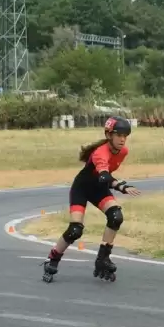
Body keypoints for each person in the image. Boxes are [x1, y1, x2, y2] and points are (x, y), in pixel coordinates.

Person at [41, 115, 141, 283]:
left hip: (98, 189)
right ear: (109, 135)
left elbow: (105, 179)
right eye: (119, 135)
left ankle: (102, 258)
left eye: (125, 136)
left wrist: (116, 184)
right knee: (75, 230)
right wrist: (122, 186)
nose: (123, 140)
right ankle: (53, 259)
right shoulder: (99, 153)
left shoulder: (123, 151)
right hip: (82, 188)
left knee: (116, 217)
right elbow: (104, 176)